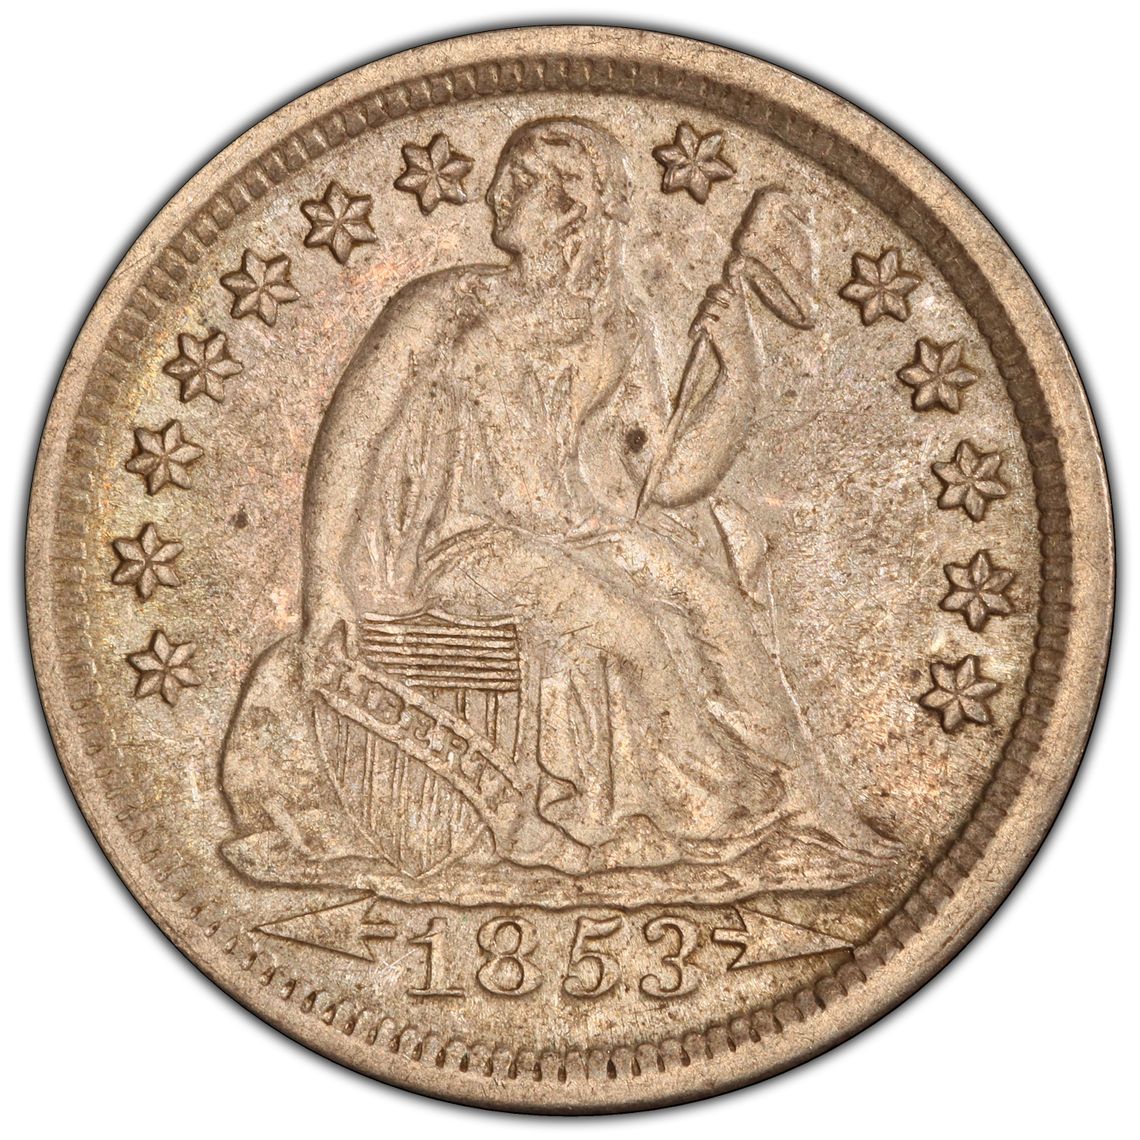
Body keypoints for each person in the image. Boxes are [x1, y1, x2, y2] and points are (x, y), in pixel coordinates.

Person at [221, 118, 893, 896]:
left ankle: (806, 806)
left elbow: (668, 480)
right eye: (507, 178)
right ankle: (703, 810)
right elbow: (353, 436)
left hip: (576, 528)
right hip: (455, 545)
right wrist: (325, 581)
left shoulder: (620, 321)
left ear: (576, 205)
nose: (497, 193)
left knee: (708, 598)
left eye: (524, 182)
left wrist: (738, 371)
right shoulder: (445, 306)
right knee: (629, 626)